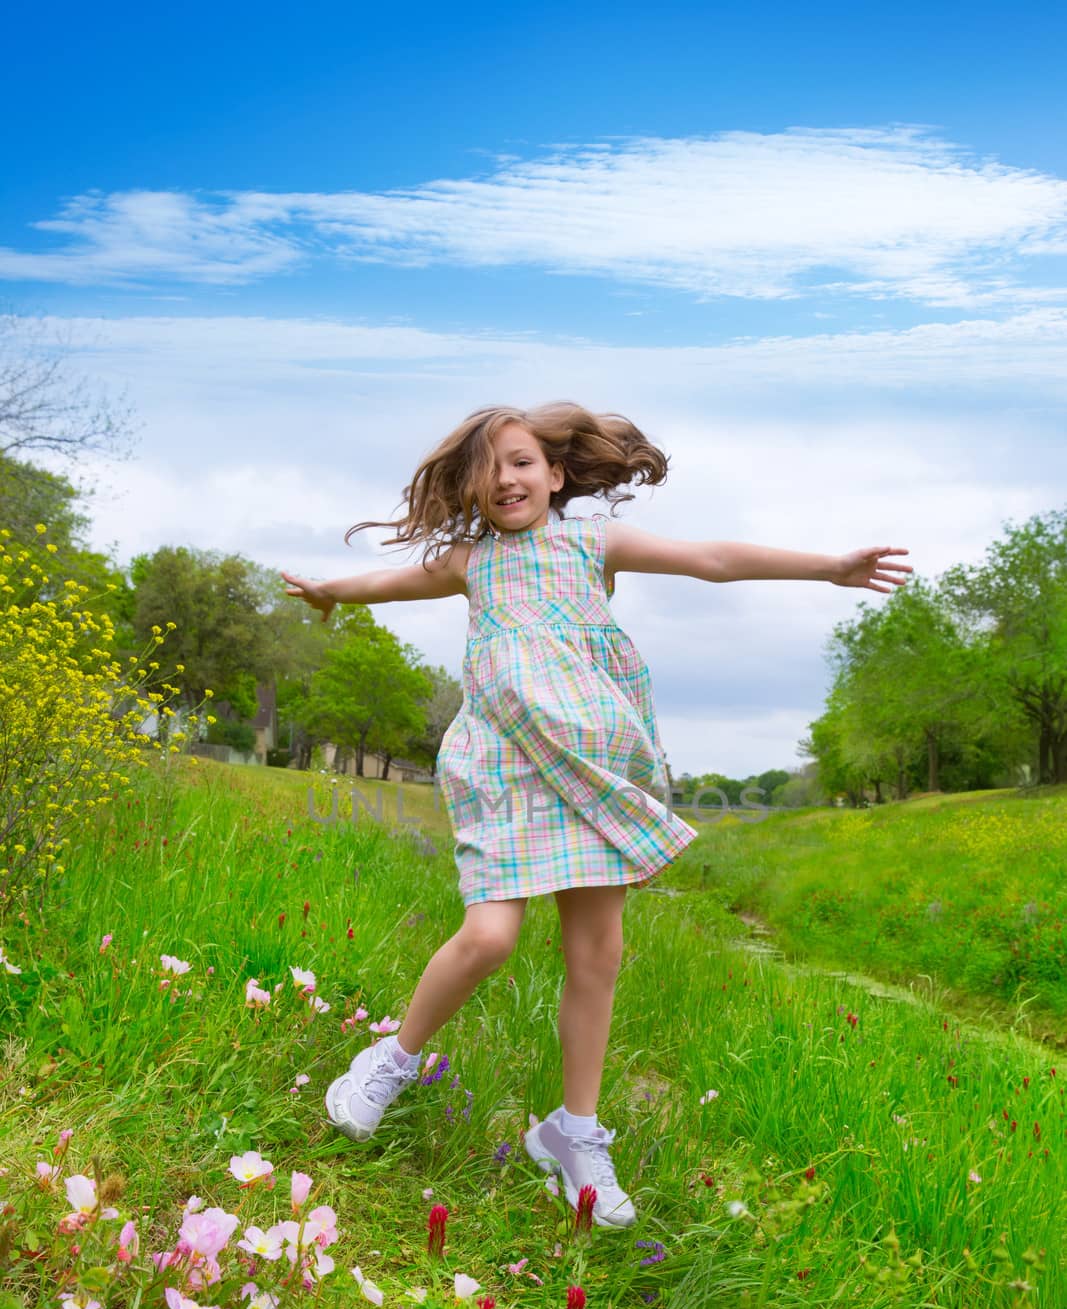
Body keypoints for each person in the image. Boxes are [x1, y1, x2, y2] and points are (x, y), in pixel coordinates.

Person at [282, 402, 911, 1227]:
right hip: (502, 764)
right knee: (490, 937)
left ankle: (573, 1132)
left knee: (598, 953)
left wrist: (828, 566)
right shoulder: (470, 561)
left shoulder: (591, 543)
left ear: (554, 473)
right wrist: (330, 589)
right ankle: (391, 1059)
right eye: (489, 468)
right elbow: (383, 585)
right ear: (469, 486)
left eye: (520, 462)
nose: (505, 479)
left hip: (590, 765)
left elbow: (713, 558)